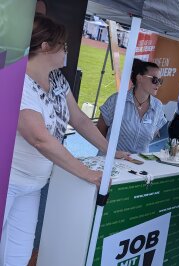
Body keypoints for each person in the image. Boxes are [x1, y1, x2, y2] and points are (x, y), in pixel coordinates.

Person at [0, 14, 129, 266]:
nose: (68, 51)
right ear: (45, 46)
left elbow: (79, 119)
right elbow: (40, 139)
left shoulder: (58, 79)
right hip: (8, 180)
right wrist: (88, 173)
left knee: (17, 256)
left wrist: (111, 151)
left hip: (33, 184)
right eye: (63, 45)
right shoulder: (15, 79)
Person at [97, 60, 167, 154]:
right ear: (139, 78)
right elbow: (100, 129)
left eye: (160, 81)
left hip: (138, 163)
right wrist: (108, 151)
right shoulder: (116, 100)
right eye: (154, 80)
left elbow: (152, 134)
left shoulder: (158, 106)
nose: (158, 84)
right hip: (111, 160)